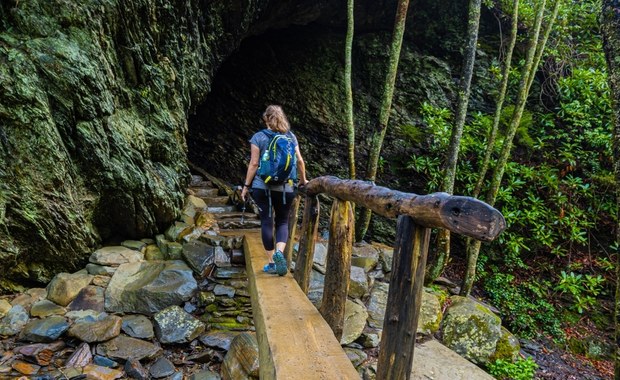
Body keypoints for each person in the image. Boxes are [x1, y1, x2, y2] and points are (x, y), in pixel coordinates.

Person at [241, 105, 308, 276]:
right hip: (286, 188)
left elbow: (254, 164)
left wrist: (246, 186)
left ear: (266, 119)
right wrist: (303, 180)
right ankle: (280, 252)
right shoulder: (291, 137)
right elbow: (299, 161)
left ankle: (272, 262)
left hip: (262, 187)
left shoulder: (258, 137)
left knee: (266, 222)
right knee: (283, 222)